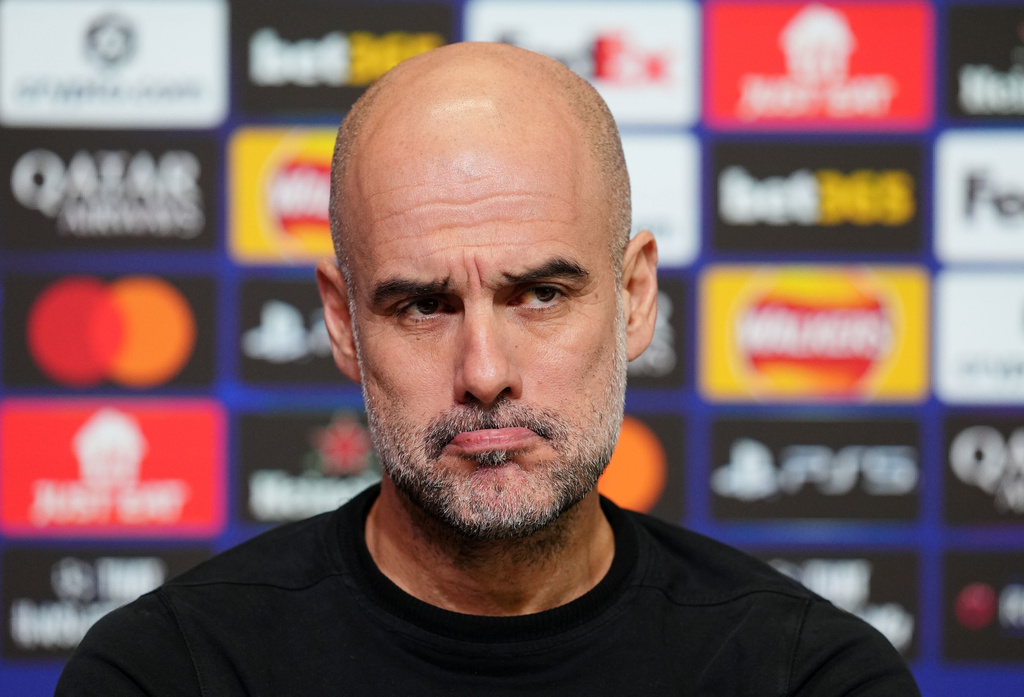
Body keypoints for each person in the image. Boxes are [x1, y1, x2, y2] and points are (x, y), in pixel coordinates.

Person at [56, 43, 920, 696]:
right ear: (343, 322)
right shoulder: (170, 674)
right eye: (423, 305)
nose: (485, 370)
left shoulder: (811, 678)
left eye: (541, 293)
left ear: (632, 298)